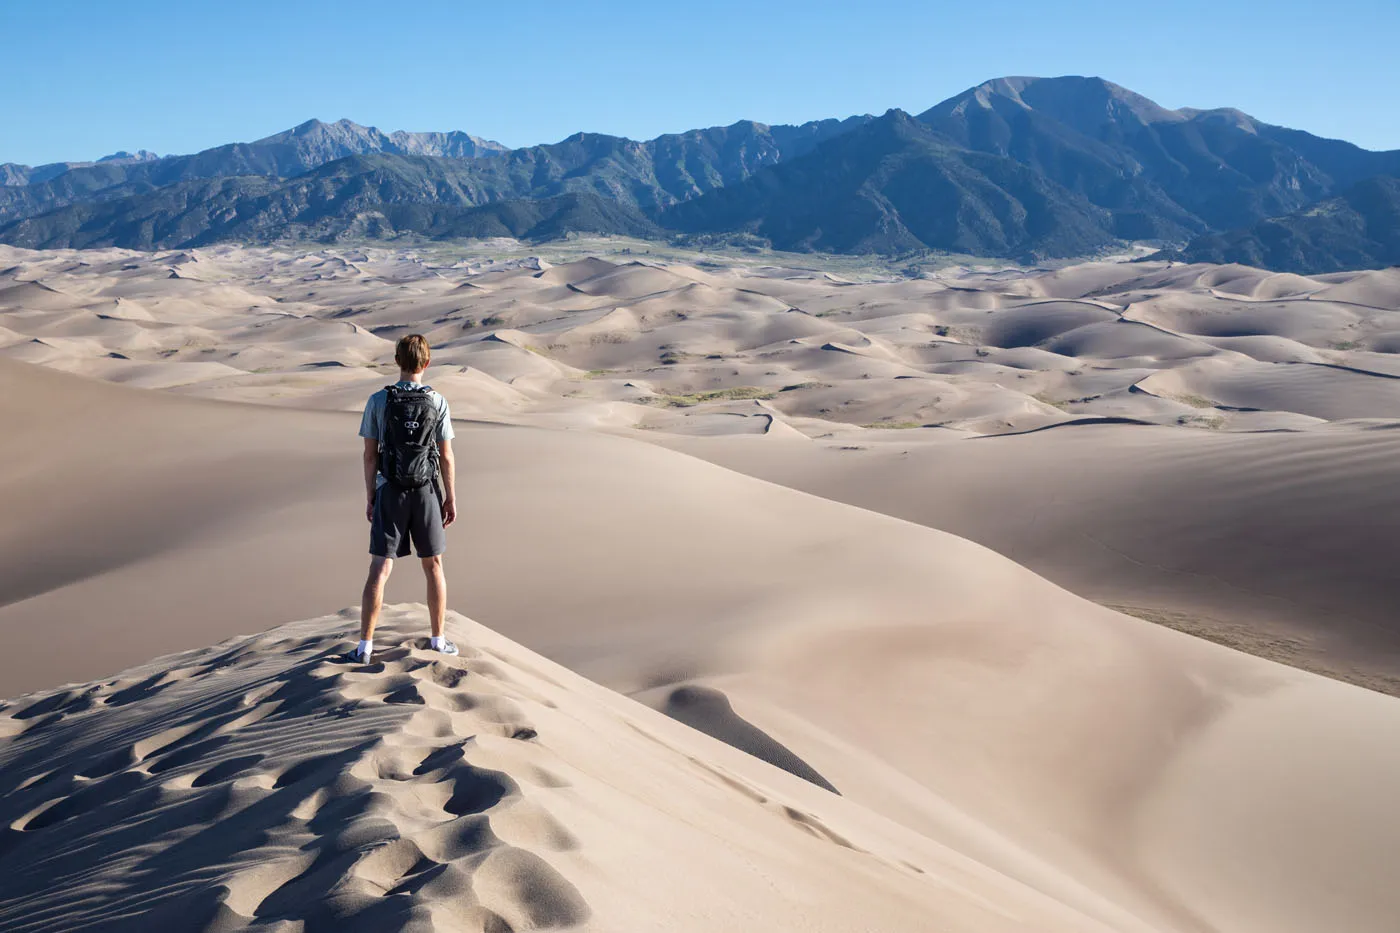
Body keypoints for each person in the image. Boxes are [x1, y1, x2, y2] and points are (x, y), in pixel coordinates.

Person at [348, 334, 459, 663]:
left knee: (380, 568)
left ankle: (365, 646)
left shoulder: (377, 402)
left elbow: (369, 455)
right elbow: (447, 455)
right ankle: (438, 640)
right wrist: (450, 497)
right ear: (427, 363)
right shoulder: (437, 402)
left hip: (390, 490)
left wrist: (371, 494)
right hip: (425, 491)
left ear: (397, 361)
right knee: (434, 566)